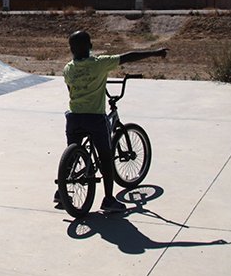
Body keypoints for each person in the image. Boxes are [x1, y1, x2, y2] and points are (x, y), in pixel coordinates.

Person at [59, 30, 167, 213]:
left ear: (71, 49)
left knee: (73, 154)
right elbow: (128, 56)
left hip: (74, 118)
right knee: (106, 158)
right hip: (95, 118)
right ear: (90, 46)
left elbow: (72, 91)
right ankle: (109, 200)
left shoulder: (68, 69)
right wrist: (155, 52)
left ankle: (61, 192)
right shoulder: (99, 64)